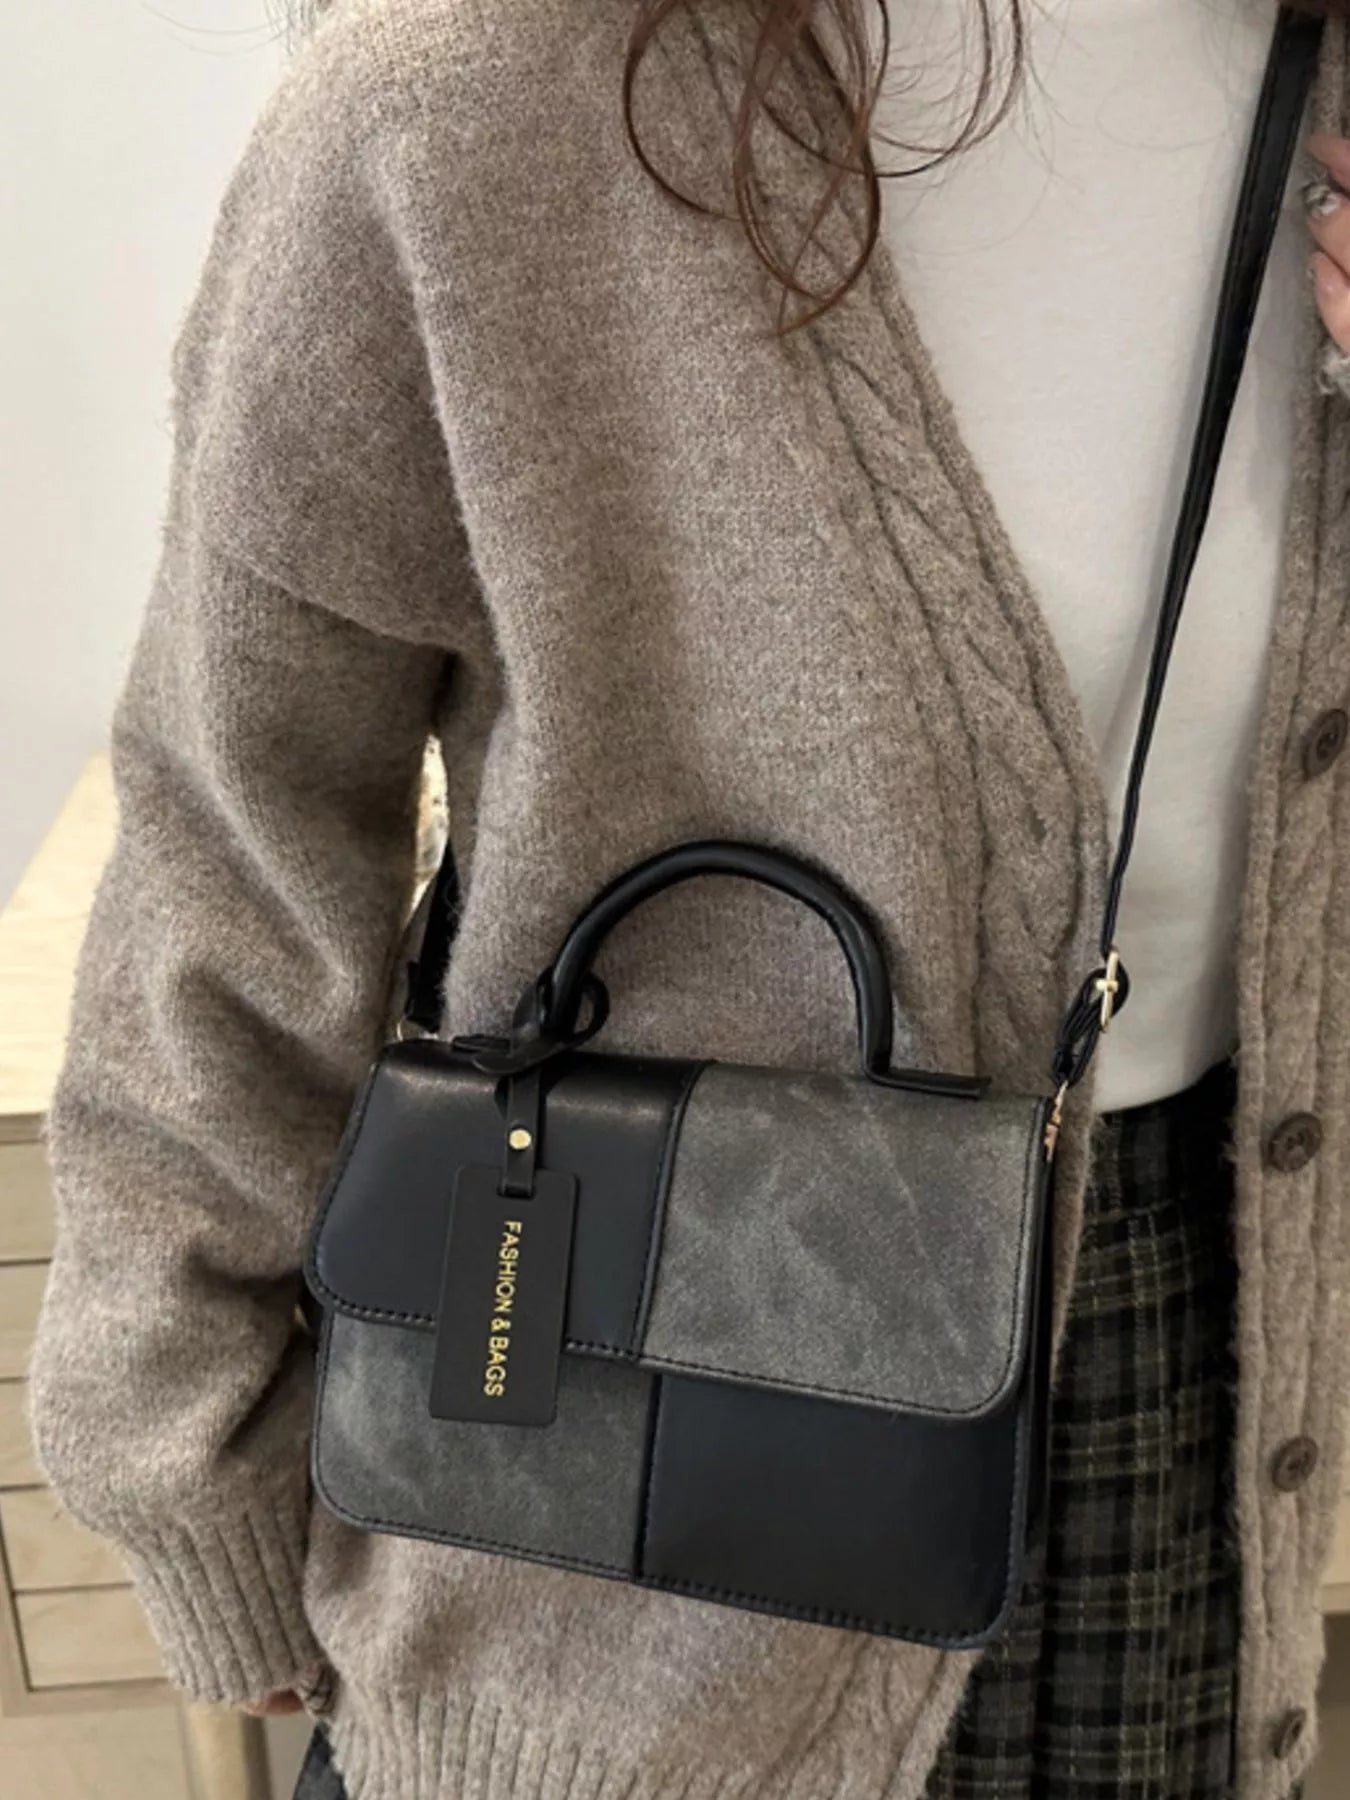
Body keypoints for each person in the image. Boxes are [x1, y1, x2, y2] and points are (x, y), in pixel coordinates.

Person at [24, 2, 1350, 1797]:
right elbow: (241, 829)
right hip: (618, 1472)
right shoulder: (468, 107)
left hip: (1182, 1387)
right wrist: (193, 1475)